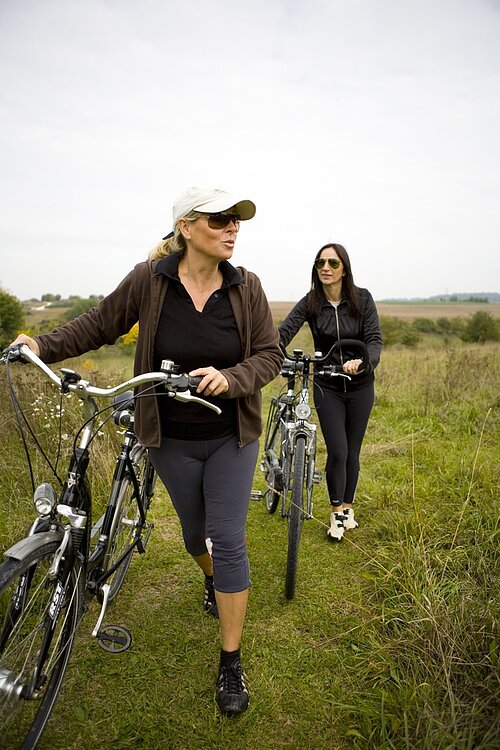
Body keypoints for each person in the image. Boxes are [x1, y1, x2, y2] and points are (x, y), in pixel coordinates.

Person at [11, 185, 283, 716]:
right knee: (192, 535)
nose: (233, 228)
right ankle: (210, 578)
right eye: (220, 219)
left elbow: (269, 355)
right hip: (170, 439)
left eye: (237, 221)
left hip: (231, 437)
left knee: (227, 538)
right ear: (186, 226)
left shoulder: (246, 286)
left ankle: (230, 662)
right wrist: (40, 345)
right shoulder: (149, 280)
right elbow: (99, 323)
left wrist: (232, 378)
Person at [278, 243, 382, 542]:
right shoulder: (311, 302)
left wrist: (364, 362)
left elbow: (374, 339)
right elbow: (284, 333)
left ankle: (348, 507)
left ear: (344, 269)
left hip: (361, 384)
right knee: (337, 450)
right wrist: (268, 352)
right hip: (327, 383)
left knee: (352, 450)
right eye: (320, 262)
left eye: (333, 263)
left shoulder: (363, 299)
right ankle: (336, 510)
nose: (326, 267)